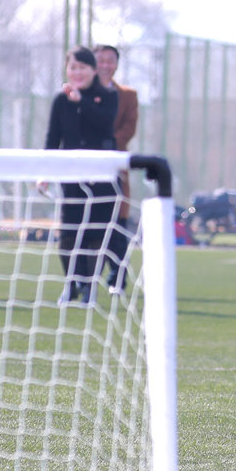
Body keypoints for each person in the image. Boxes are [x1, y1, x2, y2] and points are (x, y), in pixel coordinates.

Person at [43, 46, 120, 305]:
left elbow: (106, 124)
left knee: (95, 235)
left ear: (93, 70)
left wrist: (82, 102)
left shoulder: (108, 96)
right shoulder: (60, 100)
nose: (77, 72)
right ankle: (71, 283)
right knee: (68, 234)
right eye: (73, 67)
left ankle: (89, 288)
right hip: (72, 179)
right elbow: (53, 139)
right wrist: (44, 172)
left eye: (83, 67)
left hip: (102, 179)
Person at [93, 44, 138, 294]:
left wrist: (107, 147)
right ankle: (83, 279)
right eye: (101, 60)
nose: (105, 65)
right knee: (89, 225)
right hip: (87, 168)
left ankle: (117, 276)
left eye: (110, 60)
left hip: (114, 166)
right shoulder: (81, 93)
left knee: (116, 224)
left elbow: (129, 128)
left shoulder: (128, 95)